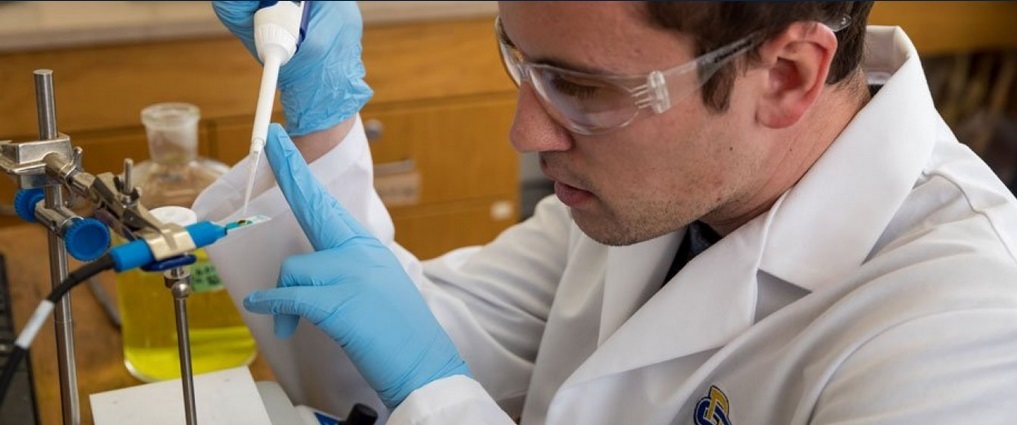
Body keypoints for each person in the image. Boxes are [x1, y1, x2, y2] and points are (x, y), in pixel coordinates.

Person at [197, 2, 1017, 424]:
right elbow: (386, 361)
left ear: (791, 74)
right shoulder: (647, 201)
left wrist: (436, 395)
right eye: (521, 62)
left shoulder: (967, 331)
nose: (526, 130)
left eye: (583, 88)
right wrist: (321, 119)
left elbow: (432, 386)